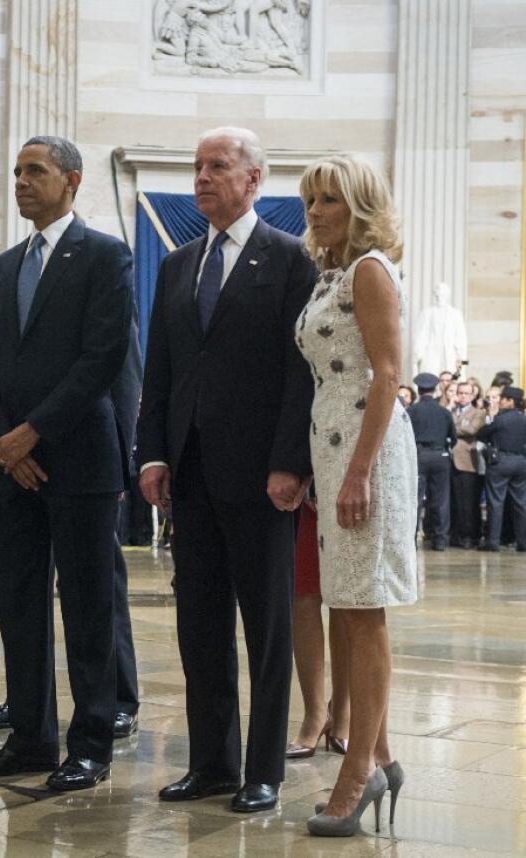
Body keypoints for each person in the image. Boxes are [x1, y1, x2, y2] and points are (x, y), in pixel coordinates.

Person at [137, 127, 315, 812]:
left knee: (267, 626)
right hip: (190, 471)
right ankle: (211, 761)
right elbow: (162, 369)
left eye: (219, 166)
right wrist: (153, 452)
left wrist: (289, 464)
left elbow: (299, 373)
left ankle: (263, 768)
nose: (203, 178)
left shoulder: (288, 259)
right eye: (197, 168)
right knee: (200, 622)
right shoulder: (179, 264)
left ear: (255, 179)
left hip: (262, 476)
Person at [0, 136, 132, 792]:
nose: (21, 182)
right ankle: (30, 738)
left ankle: (89, 744)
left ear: (72, 180)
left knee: (88, 608)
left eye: (35, 171)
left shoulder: (105, 256)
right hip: (10, 467)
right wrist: (6, 439)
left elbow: (102, 356)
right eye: (16, 172)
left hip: (80, 460)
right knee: (18, 606)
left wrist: (33, 432)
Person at [295, 154, 417, 837]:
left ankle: (358, 774)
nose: (315, 212)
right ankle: (384, 753)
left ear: (361, 206)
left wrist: (361, 470)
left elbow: (389, 374)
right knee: (344, 604)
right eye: (311, 200)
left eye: (330, 201)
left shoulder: (369, 270)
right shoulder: (331, 272)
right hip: (334, 447)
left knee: (362, 610)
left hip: (364, 453)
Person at [286, 495, 349, 759]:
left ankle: (343, 712)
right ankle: (315, 713)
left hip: (353, 477)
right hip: (304, 480)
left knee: (349, 598)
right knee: (303, 593)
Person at [406, 373, 455, 551]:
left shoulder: (411, 411)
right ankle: (440, 540)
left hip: (419, 456)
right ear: (435, 390)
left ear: (419, 390)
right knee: (441, 500)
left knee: (415, 499)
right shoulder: (444, 412)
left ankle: (412, 539)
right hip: (440, 456)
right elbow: (453, 437)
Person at [477, 385, 526, 552]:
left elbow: (482, 434)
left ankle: (493, 541)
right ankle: (523, 541)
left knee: (496, 502)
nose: (500, 401)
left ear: (510, 401)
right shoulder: (523, 418)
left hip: (501, 462)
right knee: (521, 503)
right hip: (521, 462)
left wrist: (491, 417)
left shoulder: (501, 419)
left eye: (503, 399)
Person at [451, 380, 485, 548]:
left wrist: (453, 428)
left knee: (468, 502)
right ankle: (455, 534)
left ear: (473, 395)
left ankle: (470, 535)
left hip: (467, 461)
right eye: (461, 392)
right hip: (449, 462)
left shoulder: (478, 412)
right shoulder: (451, 410)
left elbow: (472, 430)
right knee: (453, 501)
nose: (463, 396)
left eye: (466, 393)